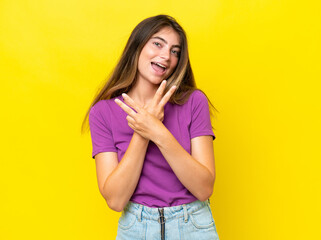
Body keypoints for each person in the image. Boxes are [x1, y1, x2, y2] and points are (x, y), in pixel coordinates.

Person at [82, 14, 219, 240]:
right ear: (137, 47)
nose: (166, 56)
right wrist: (143, 131)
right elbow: (115, 200)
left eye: (175, 51)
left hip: (193, 226)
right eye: (158, 44)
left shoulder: (194, 102)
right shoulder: (103, 112)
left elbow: (204, 188)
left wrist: (158, 130)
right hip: (137, 228)